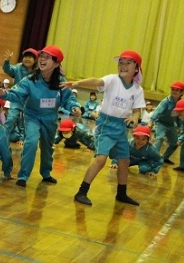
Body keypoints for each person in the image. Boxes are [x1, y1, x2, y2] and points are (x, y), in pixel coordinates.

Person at [62, 50, 146, 206]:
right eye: (121, 62)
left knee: (124, 160)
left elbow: (137, 110)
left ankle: (121, 194)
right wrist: (78, 84)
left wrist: (135, 117)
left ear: (136, 68)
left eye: (128, 63)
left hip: (121, 127)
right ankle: (81, 192)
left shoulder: (137, 89)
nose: (123, 65)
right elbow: (97, 81)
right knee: (100, 159)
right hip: (106, 125)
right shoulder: (112, 80)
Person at [0, 45, 81, 187]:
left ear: (56, 63)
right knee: (31, 143)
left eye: (47, 57)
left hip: (50, 118)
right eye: (41, 56)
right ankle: (23, 176)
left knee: (47, 147)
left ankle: (46, 173)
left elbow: (68, 98)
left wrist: (74, 107)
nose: (42, 59)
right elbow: (17, 94)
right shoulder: (30, 80)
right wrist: (4, 94)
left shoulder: (60, 81)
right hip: (32, 116)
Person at [2, 48, 38, 144]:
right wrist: (7, 61)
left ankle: (23, 139)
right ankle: (2, 137)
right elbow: (8, 69)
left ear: (35, 60)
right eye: (26, 56)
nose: (27, 59)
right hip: (17, 99)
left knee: (26, 122)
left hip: (30, 101)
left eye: (30, 57)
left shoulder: (38, 72)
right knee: (11, 118)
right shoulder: (18, 68)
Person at [148, 81, 184, 164]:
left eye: (177, 90)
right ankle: (153, 157)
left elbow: (179, 115)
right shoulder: (166, 101)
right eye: (173, 89)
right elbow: (158, 111)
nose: (174, 91)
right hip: (161, 123)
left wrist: (179, 126)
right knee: (160, 138)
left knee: (175, 143)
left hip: (172, 125)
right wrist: (151, 121)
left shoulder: (180, 103)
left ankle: (165, 157)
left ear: (182, 92)